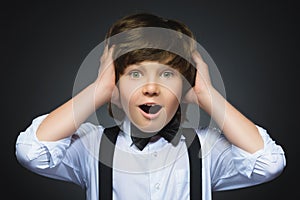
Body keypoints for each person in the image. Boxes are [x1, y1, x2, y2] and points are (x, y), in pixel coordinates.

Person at [15, 12, 286, 200]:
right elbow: (32, 151)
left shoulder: (206, 150)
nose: (151, 87)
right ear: (114, 86)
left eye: (167, 74)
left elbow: (269, 163)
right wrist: (99, 90)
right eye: (135, 74)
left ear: (184, 87)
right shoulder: (92, 147)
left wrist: (206, 93)